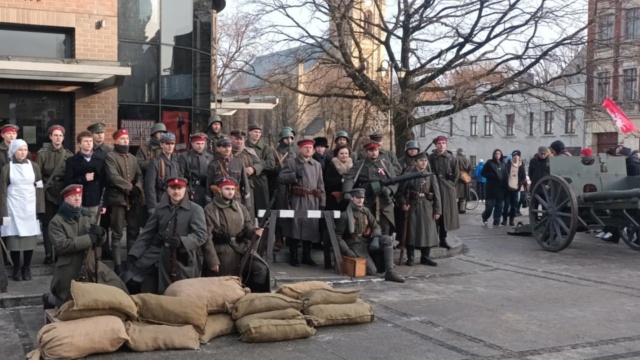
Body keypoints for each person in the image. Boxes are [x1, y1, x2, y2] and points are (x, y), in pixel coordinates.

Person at [44, 185, 127, 309]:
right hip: (69, 265)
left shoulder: (88, 216)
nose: (77, 198)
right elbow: (62, 245)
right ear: (65, 199)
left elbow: (98, 242)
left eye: (79, 196)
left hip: (92, 262)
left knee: (118, 287)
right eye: (73, 196)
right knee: (70, 302)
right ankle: (50, 299)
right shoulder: (57, 222)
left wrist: (101, 234)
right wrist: (88, 239)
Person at [126, 177, 207, 294]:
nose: (176, 192)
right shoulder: (160, 208)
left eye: (180, 188)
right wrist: (134, 254)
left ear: (185, 190)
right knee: (131, 276)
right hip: (158, 251)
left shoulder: (195, 209)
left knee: (182, 290)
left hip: (183, 255)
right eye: (173, 188)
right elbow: (147, 234)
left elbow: (201, 235)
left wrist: (182, 241)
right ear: (168, 190)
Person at [202, 177, 270, 292]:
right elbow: (207, 237)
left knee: (261, 268)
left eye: (233, 189)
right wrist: (212, 260)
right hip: (222, 250)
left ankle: (255, 298)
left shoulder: (240, 207)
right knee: (227, 283)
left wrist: (254, 231)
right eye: (227, 189)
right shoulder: (210, 209)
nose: (230, 192)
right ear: (219, 190)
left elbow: (248, 226)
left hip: (242, 248)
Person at [335, 188, 405, 283]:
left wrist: (376, 237)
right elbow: (338, 237)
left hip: (366, 241)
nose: (360, 200)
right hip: (354, 244)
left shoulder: (366, 211)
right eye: (357, 198)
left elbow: (376, 226)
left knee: (387, 239)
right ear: (352, 198)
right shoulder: (345, 215)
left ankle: (390, 272)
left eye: (362, 198)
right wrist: (347, 250)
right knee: (372, 271)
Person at [0, 139, 44, 281]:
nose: (23, 152)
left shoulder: (34, 167)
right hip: (13, 207)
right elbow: (2, 192)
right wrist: (3, 212)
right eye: (19, 149)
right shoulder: (7, 168)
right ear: (13, 151)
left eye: (25, 150)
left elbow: (39, 188)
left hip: (30, 208)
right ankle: (16, 268)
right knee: (14, 239)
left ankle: (27, 268)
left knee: (29, 239)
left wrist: (40, 208)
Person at [279, 138, 325, 267]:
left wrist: (322, 202)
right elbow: (281, 178)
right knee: (295, 226)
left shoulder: (317, 164)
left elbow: (321, 184)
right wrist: (294, 175)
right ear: (300, 149)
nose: (308, 149)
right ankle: (293, 256)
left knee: (310, 227)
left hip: (313, 200)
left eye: (310, 148)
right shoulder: (291, 162)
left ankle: (306, 256)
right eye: (306, 147)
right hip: (297, 199)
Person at [104, 128, 144, 273]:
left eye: (127, 139)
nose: (125, 141)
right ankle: (118, 264)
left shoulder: (132, 158)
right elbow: (113, 177)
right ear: (116, 141)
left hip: (133, 200)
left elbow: (140, 175)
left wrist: (138, 188)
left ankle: (131, 262)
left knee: (133, 232)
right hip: (118, 200)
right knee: (117, 232)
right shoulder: (110, 157)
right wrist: (130, 188)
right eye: (122, 139)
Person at [396, 152, 441, 266]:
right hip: (412, 206)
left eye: (425, 161)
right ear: (415, 162)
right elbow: (399, 193)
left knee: (427, 232)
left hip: (427, 207)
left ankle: (425, 257)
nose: (423, 163)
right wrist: (403, 204)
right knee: (411, 232)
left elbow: (437, 195)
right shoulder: (408, 175)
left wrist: (437, 210)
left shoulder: (431, 176)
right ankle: (410, 257)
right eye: (421, 160)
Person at [343, 141, 397, 236]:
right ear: (366, 152)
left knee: (385, 227)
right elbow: (349, 178)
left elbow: (394, 181)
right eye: (371, 150)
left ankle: (384, 248)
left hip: (383, 200)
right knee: (364, 226)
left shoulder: (386, 165)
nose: (374, 153)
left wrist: (389, 190)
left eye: (376, 150)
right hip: (365, 200)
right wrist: (347, 192)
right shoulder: (359, 165)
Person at [37, 125, 74, 265]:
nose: (58, 138)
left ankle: (60, 252)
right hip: (47, 193)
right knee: (47, 224)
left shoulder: (68, 155)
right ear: (50, 137)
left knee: (62, 224)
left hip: (63, 194)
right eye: (55, 135)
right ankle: (48, 253)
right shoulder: (43, 154)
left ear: (63, 138)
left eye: (60, 135)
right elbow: (38, 176)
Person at [64, 131, 107, 218]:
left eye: (91, 141)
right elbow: (68, 182)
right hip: (79, 201)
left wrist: (104, 204)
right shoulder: (71, 161)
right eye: (86, 141)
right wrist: (84, 178)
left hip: (95, 201)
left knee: (94, 229)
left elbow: (104, 184)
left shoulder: (100, 161)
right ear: (79, 144)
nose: (89, 143)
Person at [428, 136, 460, 248]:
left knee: (445, 215)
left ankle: (443, 239)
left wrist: (450, 185)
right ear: (435, 145)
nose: (441, 145)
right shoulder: (431, 158)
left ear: (446, 145)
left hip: (447, 190)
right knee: (434, 214)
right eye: (439, 143)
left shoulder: (452, 158)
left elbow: (456, 175)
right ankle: (432, 239)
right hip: (434, 188)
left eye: (443, 143)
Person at [206, 138, 252, 211]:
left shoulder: (239, 162)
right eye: (224, 147)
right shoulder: (213, 164)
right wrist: (208, 203)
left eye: (229, 146)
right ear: (218, 148)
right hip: (218, 199)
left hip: (236, 198)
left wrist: (247, 203)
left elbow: (245, 183)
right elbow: (209, 185)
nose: (227, 149)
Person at [144, 133, 182, 215]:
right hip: (160, 202)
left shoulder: (176, 164)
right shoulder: (155, 163)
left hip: (174, 202)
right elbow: (150, 187)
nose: (170, 146)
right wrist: (152, 207)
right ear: (161, 144)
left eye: (172, 143)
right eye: (167, 143)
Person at [230, 129, 264, 217]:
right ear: (231, 139)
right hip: (231, 186)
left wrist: (253, 169)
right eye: (236, 139)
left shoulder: (249, 152)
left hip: (247, 186)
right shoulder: (227, 152)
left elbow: (259, 164)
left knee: (248, 211)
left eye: (241, 139)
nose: (239, 141)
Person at [245, 123, 276, 208]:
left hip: (261, 180)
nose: (257, 134)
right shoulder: (243, 146)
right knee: (248, 206)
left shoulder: (266, 148)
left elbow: (271, 164)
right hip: (246, 179)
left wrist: (256, 167)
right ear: (249, 132)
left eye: (259, 132)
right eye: (255, 132)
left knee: (262, 207)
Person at [178, 133, 213, 207]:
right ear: (192, 143)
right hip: (190, 189)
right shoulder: (185, 157)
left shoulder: (209, 157)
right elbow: (180, 175)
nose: (200, 146)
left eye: (202, 144)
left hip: (205, 190)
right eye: (198, 143)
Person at [481, 149, 507, 226]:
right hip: (491, 188)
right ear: (494, 154)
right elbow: (483, 173)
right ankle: (485, 216)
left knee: (499, 207)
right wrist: (491, 176)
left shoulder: (503, 164)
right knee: (489, 207)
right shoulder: (489, 163)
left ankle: (496, 221)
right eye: (496, 154)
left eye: (499, 154)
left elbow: (505, 174)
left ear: (501, 155)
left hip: (500, 188)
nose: (497, 155)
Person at [324, 145, 353, 212]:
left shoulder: (353, 165)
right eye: (341, 153)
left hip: (349, 196)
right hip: (333, 196)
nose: (344, 155)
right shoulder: (331, 165)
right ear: (337, 154)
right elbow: (327, 181)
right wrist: (341, 180)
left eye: (346, 153)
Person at [501, 150, 526, 226]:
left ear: (519, 157)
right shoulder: (508, 164)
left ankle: (511, 220)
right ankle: (504, 219)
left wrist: (519, 184)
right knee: (506, 205)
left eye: (517, 155)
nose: (515, 157)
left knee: (513, 206)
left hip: (516, 188)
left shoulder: (521, 166)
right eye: (514, 155)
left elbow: (523, 177)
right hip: (508, 188)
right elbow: (504, 174)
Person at [456, 148, 472, 214]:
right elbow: (470, 169)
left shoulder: (456, 159)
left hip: (458, 179)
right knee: (463, 196)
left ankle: (457, 209)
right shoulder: (467, 160)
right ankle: (462, 209)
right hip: (465, 178)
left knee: (457, 195)